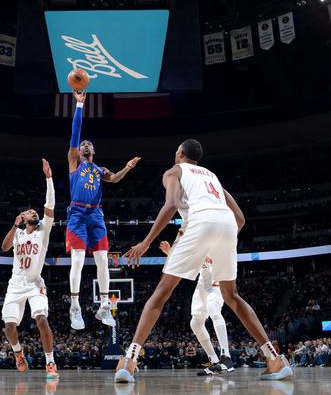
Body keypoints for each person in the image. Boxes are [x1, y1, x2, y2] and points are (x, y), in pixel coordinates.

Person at [113, 139, 292, 383]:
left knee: (162, 293)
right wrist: (218, 244)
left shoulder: (174, 171)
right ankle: (275, 359)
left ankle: (129, 360)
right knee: (233, 297)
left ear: (180, 154)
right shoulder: (213, 176)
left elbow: (172, 204)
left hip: (201, 222)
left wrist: (146, 242)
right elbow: (239, 218)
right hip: (227, 225)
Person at [65, 90, 140, 331]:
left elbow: (115, 179)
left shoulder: (99, 170)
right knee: (77, 261)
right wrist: (79, 105)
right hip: (76, 214)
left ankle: (104, 306)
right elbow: (76, 133)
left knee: (103, 263)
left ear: (93, 151)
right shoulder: (74, 161)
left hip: (95, 215)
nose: (85, 145)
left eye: (89, 144)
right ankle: (75, 306)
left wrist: (127, 168)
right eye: (83, 144)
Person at [0, 159, 59, 380]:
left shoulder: (43, 232)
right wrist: (14, 225)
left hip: (35, 284)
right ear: (24, 218)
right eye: (30, 211)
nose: (34, 213)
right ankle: (18, 353)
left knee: (41, 318)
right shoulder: (18, 232)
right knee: (9, 326)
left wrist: (49, 178)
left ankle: (50, 361)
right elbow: (4, 247)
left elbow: (50, 205)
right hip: (15, 284)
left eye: (36, 212)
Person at [158, 241, 234, 375]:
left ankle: (226, 357)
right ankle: (214, 362)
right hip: (203, 283)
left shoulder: (216, 235)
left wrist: (211, 255)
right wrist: (170, 252)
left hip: (217, 278)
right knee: (196, 323)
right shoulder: (196, 238)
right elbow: (187, 260)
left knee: (213, 310)